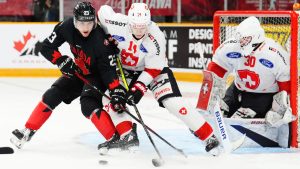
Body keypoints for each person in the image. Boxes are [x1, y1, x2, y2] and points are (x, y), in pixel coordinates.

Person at [96, 3, 221, 155]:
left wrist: (138, 89)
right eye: (135, 26)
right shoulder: (116, 22)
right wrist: (105, 37)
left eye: (143, 27)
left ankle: (208, 136)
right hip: (126, 71)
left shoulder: (157, 36)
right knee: (110, 98)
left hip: (153, 71)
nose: (139, 31)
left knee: (173, 103)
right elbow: (102, 11)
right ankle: (127, 134)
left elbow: (153, 68)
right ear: (129, 21)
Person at [10, 1, 137, 151]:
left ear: (95, 21)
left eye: (89, 23)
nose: (85, 28)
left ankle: (114, 138)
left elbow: (107, 71)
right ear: (75, 21)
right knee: (52, 94)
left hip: (98, 75)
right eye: (82, 23)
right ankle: (27, 131)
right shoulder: (66, 26)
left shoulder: (101, 41)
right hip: (79, 71)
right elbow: (46, 47)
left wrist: (116, 90)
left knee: (87, 104)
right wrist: (60, 60)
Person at [201, 16, 294, 132]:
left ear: (256, 37)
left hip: (264, 96)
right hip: (236, 90)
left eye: (245, 39)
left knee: (238, 125)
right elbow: (216, 70)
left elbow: (286, 89)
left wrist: (277, 110)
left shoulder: (275, 54)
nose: (241, 43)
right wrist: (210, 94)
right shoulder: (231, 46)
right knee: (214, 114)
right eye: (240, 39)